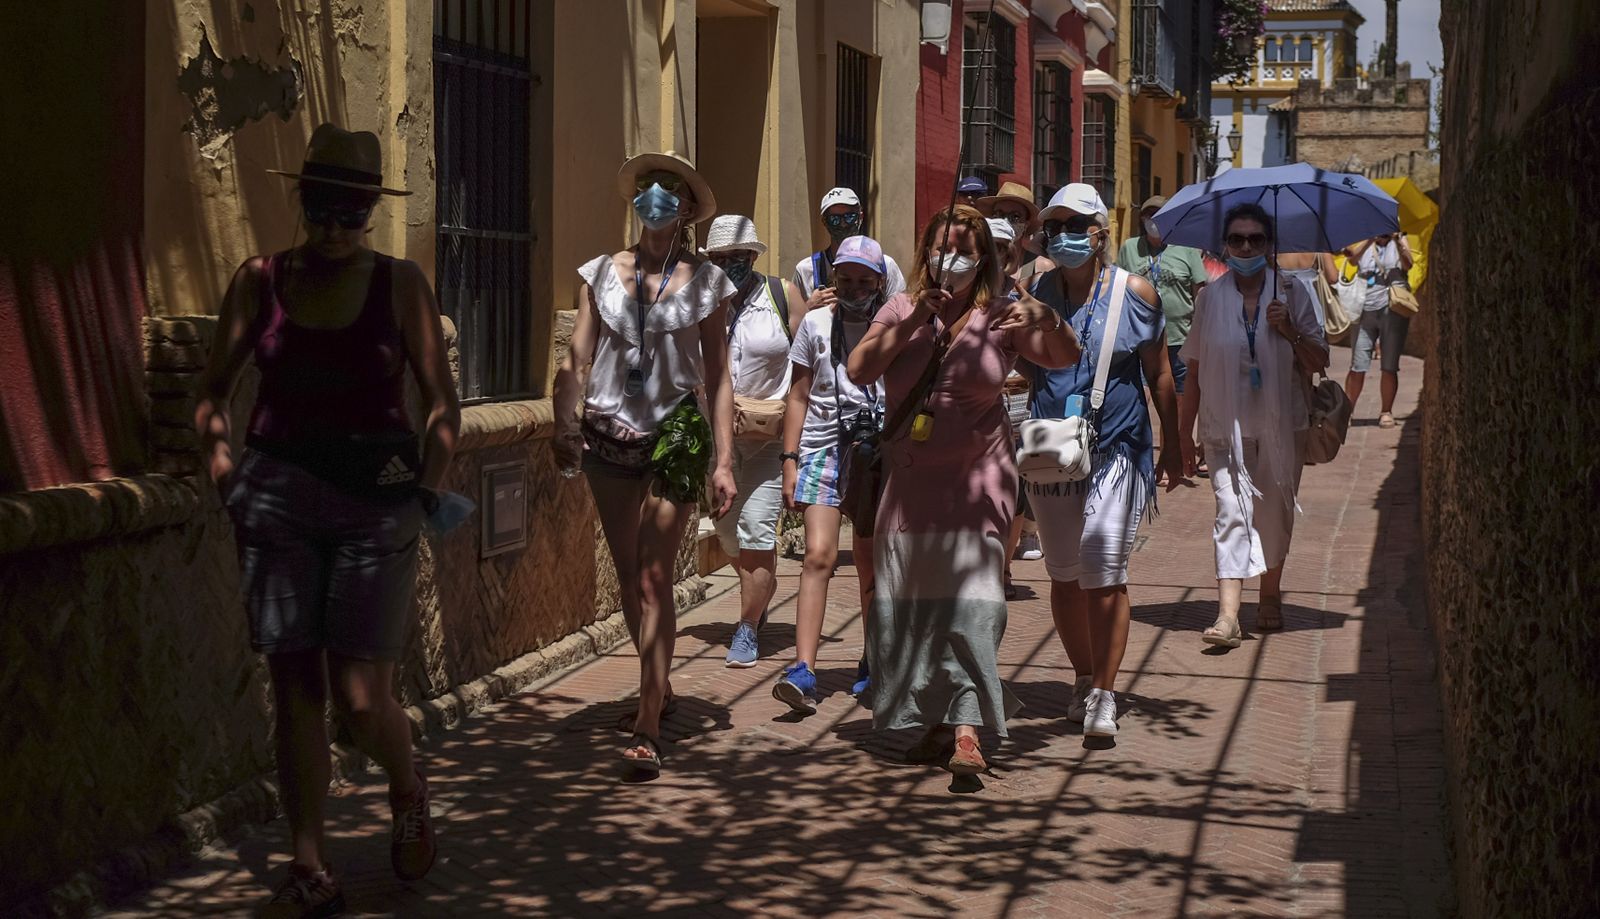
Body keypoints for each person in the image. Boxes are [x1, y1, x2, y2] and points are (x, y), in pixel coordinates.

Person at [195, 124, 460, 916]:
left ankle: (406, 783)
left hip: (375, 508)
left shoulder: (400, 285)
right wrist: (226, 475)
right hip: (275, 500)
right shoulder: (259, 281)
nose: (336, 226)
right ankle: (309, 863)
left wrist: (426, 490)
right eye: (322, 207)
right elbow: (212, 391)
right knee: (295, 685)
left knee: (361, 697)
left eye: (352, 212)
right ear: (303, 200)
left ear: (371, 210)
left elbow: (441, 404)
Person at [846, 205, 1080, 775]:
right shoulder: (899, 307)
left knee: (976, 602)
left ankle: (968, 729)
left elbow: (1066, 357)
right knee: (919, 607)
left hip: (981, 480)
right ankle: (937, 720)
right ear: (926, 252)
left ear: (982, 260)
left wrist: (1048, 317)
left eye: (964, 251)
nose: (951, 259)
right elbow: (858, 369)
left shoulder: (1002, 314)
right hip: (911, 484)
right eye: (942, 247)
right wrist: (910, 324)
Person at [552, 151, 739, 776]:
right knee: (631, 576)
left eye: (670, 187)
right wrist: (563, 418)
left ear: (687, 208)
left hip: (675, 437)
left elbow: (719, 376)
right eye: (648, 184)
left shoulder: (708, 283)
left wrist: (724, 461)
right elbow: (578, 356)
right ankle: (658, 683)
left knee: (657, 579)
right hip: (606, 436)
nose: (656, 194)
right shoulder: (602, 273)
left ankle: (650, 722)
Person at [1029, 184, 1182, 739]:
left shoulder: (1135, 292)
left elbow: (1159, 373)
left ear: (1100, 232)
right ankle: (1081, 676)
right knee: (1065, 573)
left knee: (1102, 562)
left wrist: (1175, 443)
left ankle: (1103, 692)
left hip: (1119, 443)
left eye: (1075, 225)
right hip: (1052, 447)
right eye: (1054, 227)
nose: (1064, 236)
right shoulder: (1037, 291)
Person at [1178, 203, 1330, 648]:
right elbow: (1194, 368)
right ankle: (1228, 615)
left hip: (1284, 426)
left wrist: (1290, 331)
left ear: (1269, 245)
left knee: (1274, 512)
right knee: (1231, 513)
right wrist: (1183, 435)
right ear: (1225, 246)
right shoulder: (1209, 299)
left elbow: (1319, 361)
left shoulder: (1293, 294)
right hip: (1224, 427)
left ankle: (1269, 593)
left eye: (1255, 239)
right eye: (1237, 239)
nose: (1246, 247)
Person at [773, 235, 887, 711]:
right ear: (833, 279)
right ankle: (804, 669)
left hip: (875, 452)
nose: (855, 289)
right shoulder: (816, 323)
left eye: (865, 281)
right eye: (846, 279)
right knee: (818, 555)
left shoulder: (892, 324)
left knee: (870, 560)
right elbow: (798, 395)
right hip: (822, 449)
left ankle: (874, 660)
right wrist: (789, 460)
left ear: (880, 282)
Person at [702, 215, 806, 668]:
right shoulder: (700, 302)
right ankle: (760, 590)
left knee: (757, 527)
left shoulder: (782, 296)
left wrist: (798, 442)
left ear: (752, 256)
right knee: (727, 533)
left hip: (768, 438)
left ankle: (747, 627)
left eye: (739, 256)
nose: (731, 264)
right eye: (721, 258)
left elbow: (808, 364)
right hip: (715, 439)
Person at [1116, 195, 1208, 398]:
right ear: (1142, 219)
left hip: (1180, 338)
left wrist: (1201, 332)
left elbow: (1200, 293)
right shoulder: (1129, 247)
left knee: (1181, 395)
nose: (1154, 219)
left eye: (1160, 214)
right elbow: (1117, 288)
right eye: (1149, 215)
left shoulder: (1187, 249)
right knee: (1143, 395)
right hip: (1140, 337)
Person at [1342, 232, 1414, 428]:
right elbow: (1353, 260)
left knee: (1389, 365)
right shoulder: (1366, 241)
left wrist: (1398, 241)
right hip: (1364, 310)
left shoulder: (1400, 240)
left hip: (1393, 309)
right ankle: (1348, 411)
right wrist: (1369, 240)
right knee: (1357, 364)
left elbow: (1408, 264)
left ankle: (1386, 411)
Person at [793, 187, 907, 304]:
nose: (843, 224)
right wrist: (808, 307)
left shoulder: (886, 266)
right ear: (824, 222)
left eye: (849, 217)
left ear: (860, 217)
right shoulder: (807, 270)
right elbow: (793, 314)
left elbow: (900, 311)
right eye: (835, 219)